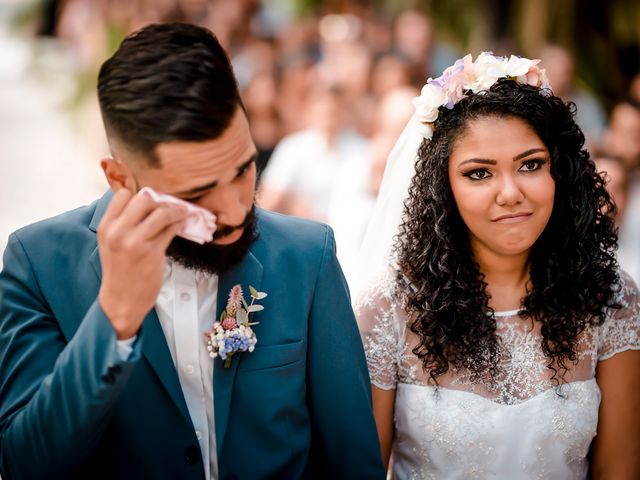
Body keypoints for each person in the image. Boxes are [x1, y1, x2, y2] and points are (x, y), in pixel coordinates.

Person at [0, 23, 384, 480]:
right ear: (121, 179)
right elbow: (25, 466)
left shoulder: (308, 256)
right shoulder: (37, 265)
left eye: (243, 168)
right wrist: (113, 320)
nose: (236, 210)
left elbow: (353, 460)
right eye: (198, 194)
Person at [355, 52, 640, 479]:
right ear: (442, 187)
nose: (509, 192)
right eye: (478, 174)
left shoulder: (611, 300)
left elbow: (620, 470)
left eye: (530, 165)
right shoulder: (387, 308)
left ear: (558, 171)